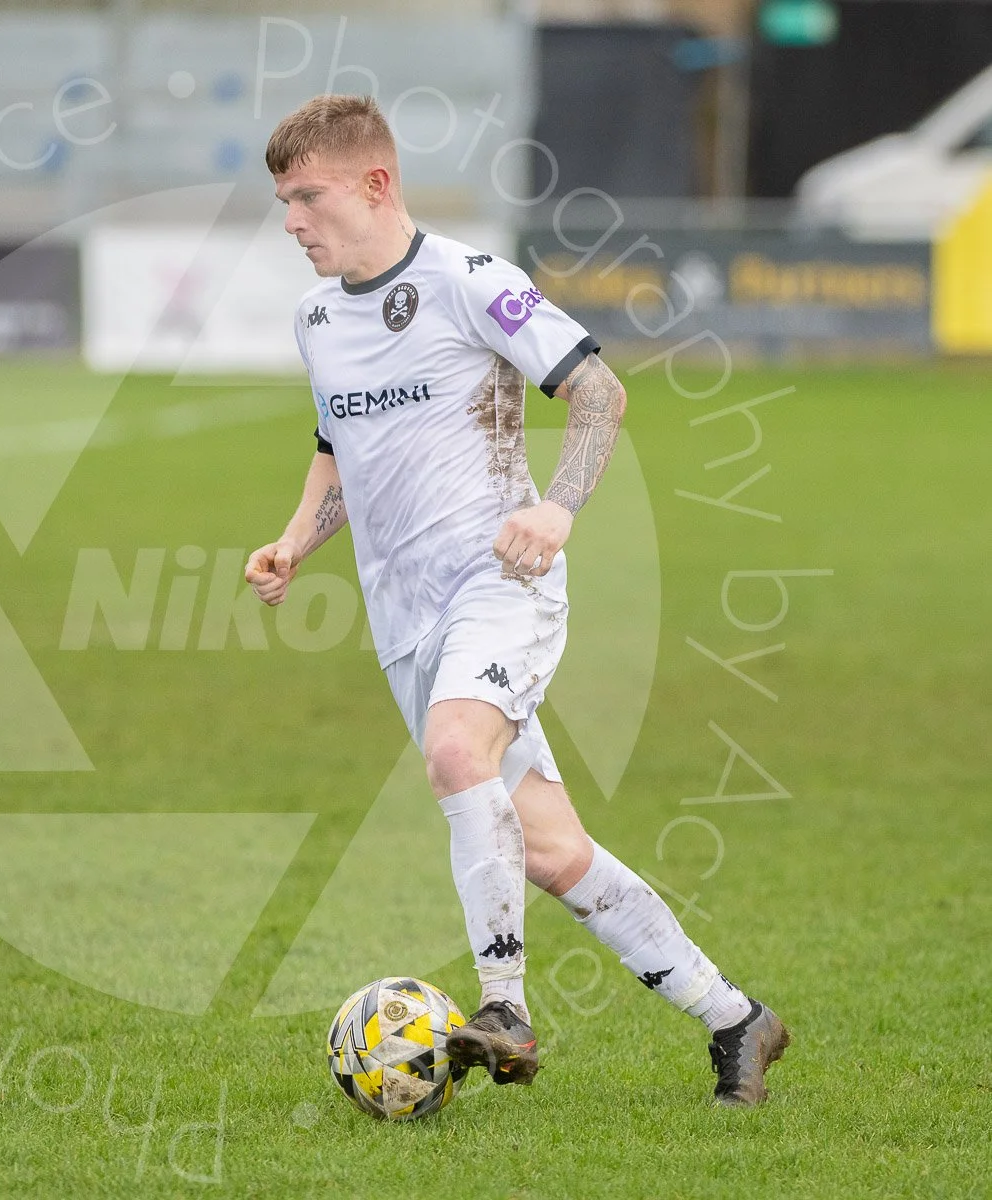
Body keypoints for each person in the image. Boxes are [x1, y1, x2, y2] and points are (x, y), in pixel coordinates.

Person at [245, 94, 789, 1106]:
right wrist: (293, 542)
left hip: (504, 585)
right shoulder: (317, 320)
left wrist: (561, 509)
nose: (291, 223)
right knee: (550, 850)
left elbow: (599, 392)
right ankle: (737, 1021)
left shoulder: (469, 283)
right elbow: (338, 453)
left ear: (375, 183)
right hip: (405, 622)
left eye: (306, 197)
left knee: (456, 753)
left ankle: (504, 1009)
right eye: (283, 202)